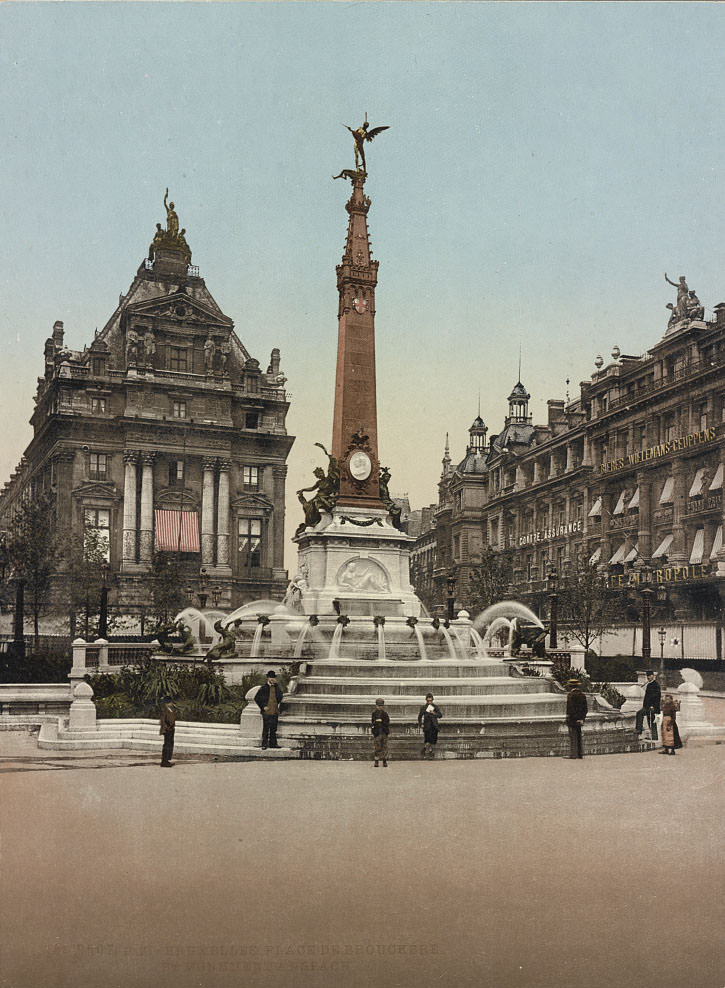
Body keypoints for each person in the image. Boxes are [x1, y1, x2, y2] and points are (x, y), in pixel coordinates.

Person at [255, 670, 283, 750]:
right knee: (266, 728)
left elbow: (280, 696)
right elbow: (257, 698)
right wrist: (263, 706)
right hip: (267, 711)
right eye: (271, 677)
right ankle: (264, 744)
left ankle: (273, 744)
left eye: (273, 677)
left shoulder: (277, 687)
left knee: (274, 728)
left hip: (274, 710)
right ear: (268, 678)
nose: (272, 679)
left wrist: (277, 702)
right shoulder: (264, 688)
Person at [635, 670, 661, 741]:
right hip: (647, 706)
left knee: (651, 720)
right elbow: (647, 697)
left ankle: (654, 737)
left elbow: (657, 697)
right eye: (647, 676)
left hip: (652, 707)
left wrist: (653, 706)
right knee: (640, 714)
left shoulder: (656, 685)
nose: (648, 677)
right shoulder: (649, 685)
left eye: (649, 676)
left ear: (653, 676)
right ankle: (640, 730)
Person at [565, 678, 588, 759]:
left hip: (572, 719)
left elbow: (570, 708)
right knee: (579, 736)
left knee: (573, 737)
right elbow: (585, 708)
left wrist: (570, 717)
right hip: (580, 718)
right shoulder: (582, 695)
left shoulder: (571, 695)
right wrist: (582, 718)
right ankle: (580, 754)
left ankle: (573, 754)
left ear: (570, 687)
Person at [418, 693, 443, 759]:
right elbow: (419, 717)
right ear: (426, 700)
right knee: (428, 740)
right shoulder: (423, 707)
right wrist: (421, 724)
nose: (429, 702)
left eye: (430, 701)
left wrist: (434, 713)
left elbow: (440, 715)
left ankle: (426, 749)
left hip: (434, 726)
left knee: (432, 740)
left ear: (432, 700)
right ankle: (430, 752)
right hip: (427, 726)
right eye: (428, 701)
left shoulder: (435, 707)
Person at [371, 698, 390, 767]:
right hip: (377, 732)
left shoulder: (385, 714)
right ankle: (376, 761)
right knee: (377, 747)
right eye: (378, 706)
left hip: (384, 732)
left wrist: (381, 721)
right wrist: (376, 722)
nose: (379, 707)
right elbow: (372, 722)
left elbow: (387, 722)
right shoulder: (374, 713)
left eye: (381, 706)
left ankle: (384, 761)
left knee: (384, 747)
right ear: (376, 706)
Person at [159, 695, 176, 768]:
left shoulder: (169, 709)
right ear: (168, 702)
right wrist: (167, 728)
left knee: (169, 745)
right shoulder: (165, 710)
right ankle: (164, 761)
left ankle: (167, 760)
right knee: (167, 745)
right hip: (168, 730)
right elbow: (163, 720)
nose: (172, 703)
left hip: (170, 729)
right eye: (171, 702)